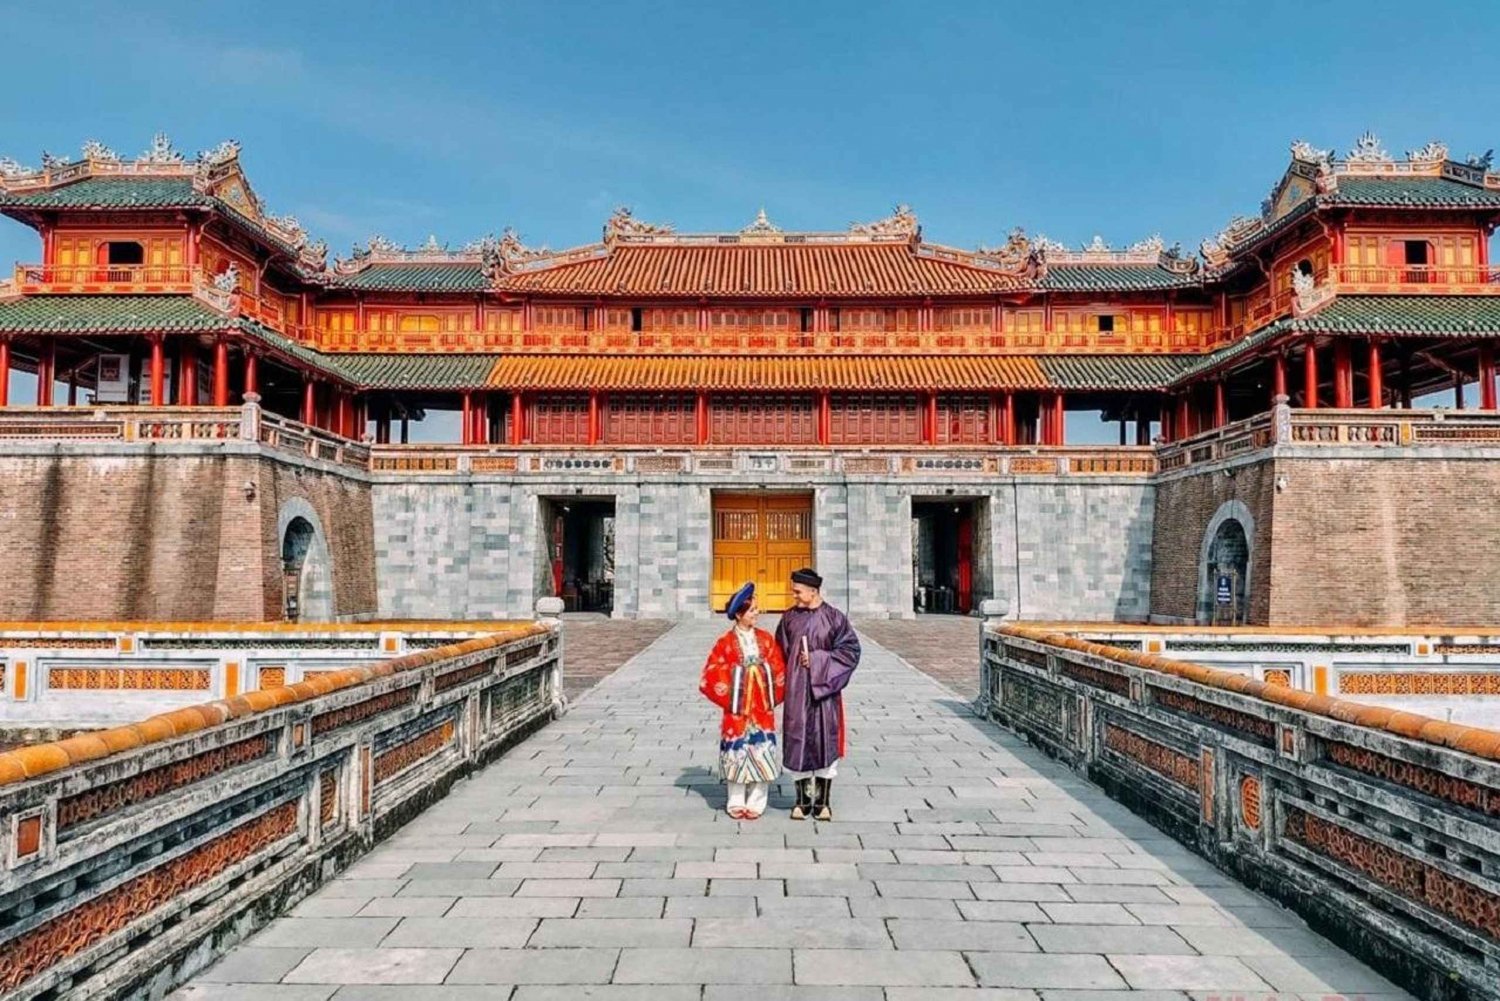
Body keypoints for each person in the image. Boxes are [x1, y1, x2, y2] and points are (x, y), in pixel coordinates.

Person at [775, 567, 861, 821]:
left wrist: (817, 660)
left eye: (798, 591)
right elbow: (778, 653)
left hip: (825, 693)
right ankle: (801, 802)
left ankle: (823, 803)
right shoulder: (789, 618)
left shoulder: (835, 618)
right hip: (797, 691)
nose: (794, 596)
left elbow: (850, 651)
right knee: (797, 738)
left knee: (825, 739)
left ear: (813, 591)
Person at [699, 581, 787, 820]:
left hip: (760, 708)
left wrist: (760, 671)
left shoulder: (767, 639)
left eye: (757, 609)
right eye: (752, 610)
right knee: (737, 751)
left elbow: (779, 667)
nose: (757, 613)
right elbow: (712, 672)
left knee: (761, 749)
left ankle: (757, 800)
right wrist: (740, 675)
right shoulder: (725, 643)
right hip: (738, 708)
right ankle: (736, 799)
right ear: (739, 614)